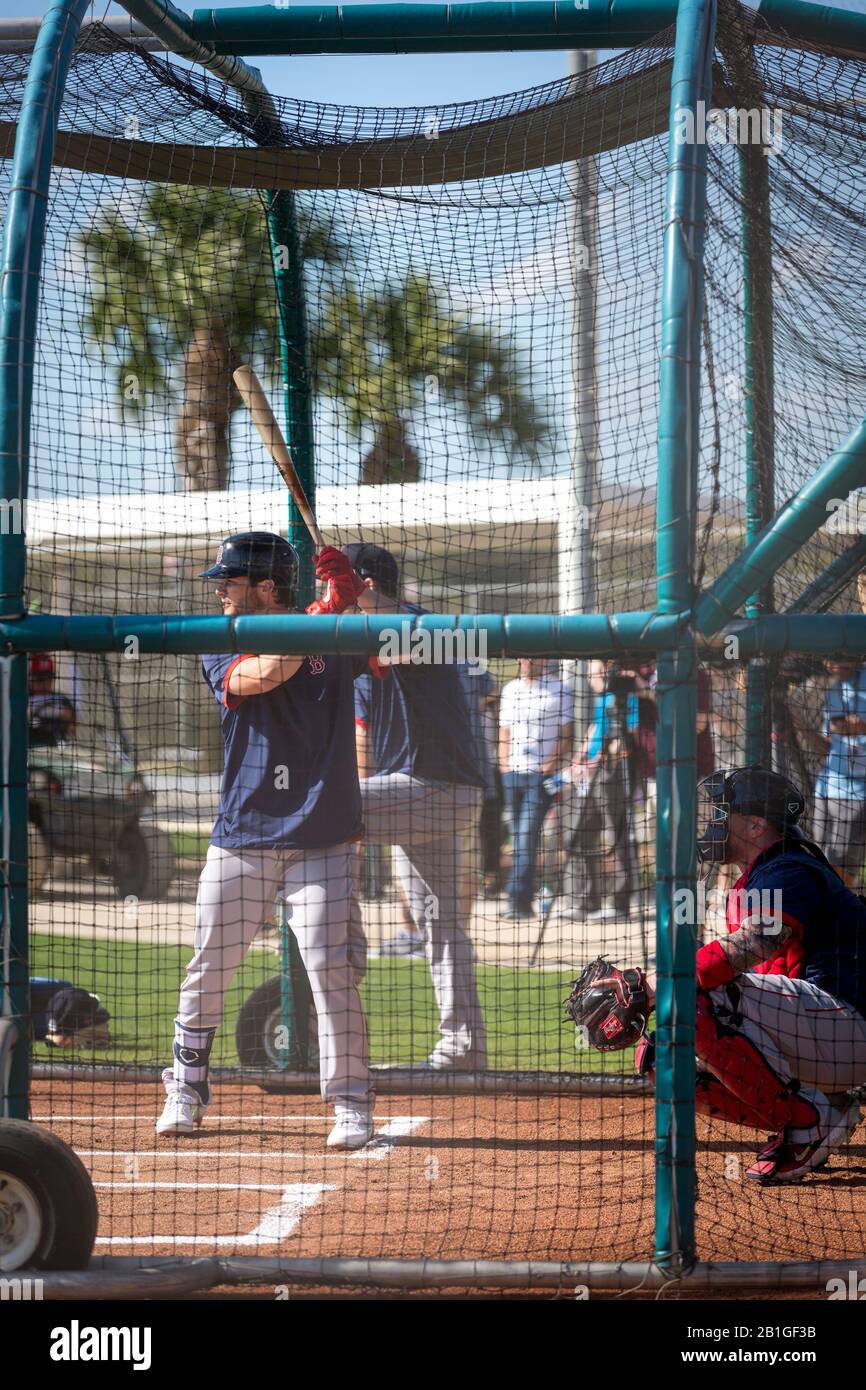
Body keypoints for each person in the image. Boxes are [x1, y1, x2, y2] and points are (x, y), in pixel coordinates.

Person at [156, 532, 376, 1149]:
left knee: (331, 969)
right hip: (244, 833)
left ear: (266, 586)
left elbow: (396, 649)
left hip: (325, 833)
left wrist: (357, 603)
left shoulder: (333, 631)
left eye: (230, 580)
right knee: (209, 966)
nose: (220, 590)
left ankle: (352, 1103)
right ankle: (187, 1083)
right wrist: (329, 616)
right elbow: (260, 677)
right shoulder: (222, 640)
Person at [638, 765, 866, 1183]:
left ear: (757, 823)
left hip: (850, 1027)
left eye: (724, 812)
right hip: (822, 1038)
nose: (714, 822)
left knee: (693, 994)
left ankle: (808, 1122)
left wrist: (654, 985)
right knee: (661, 1054)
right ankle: (822, 1109)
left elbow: (753, 946)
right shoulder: (756, 875)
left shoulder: (789, 870)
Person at [346, 542, 488, 1070]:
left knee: (314, 812)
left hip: (440, 786)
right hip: (408, 794)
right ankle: (464, 1048)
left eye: (337, 586)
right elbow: (361, 738)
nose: (324, 596)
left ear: (364, 585)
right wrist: (357, 826)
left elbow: (400, 643)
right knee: (440, 924)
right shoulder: (350, 647)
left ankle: (345, 951)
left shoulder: (419, 623)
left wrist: (348, 817)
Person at [498, 658, 572, 920]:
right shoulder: (510, 690)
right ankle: (521, 900)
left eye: (534, 657)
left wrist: (548, 767)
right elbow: (504, 733)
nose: (529, 661)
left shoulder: (559, 689)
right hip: (512, 775)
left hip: (540, 777)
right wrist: (504, 766)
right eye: (525, 657)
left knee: (527, 834)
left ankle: (517, 899)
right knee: (517, 836)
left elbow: (566, 733)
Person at [811, 657, 866, 889]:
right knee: (817, 859)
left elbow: (855, 727)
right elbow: (828, 742)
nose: (830, 664)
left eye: (835, 657)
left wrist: (856, 727)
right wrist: (798, 724)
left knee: (839, 869)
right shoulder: (834, 689)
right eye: (826, 658)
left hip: (855, 792)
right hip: (827, 788)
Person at [28, 653, 77, 746]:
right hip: (30, 748)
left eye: (49, 677)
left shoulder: (60, 698)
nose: (45, 683)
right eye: (40, 678)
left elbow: (74, 725)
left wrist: (61, 715)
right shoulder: (23, 698)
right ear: (31, 677)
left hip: (57, 749)